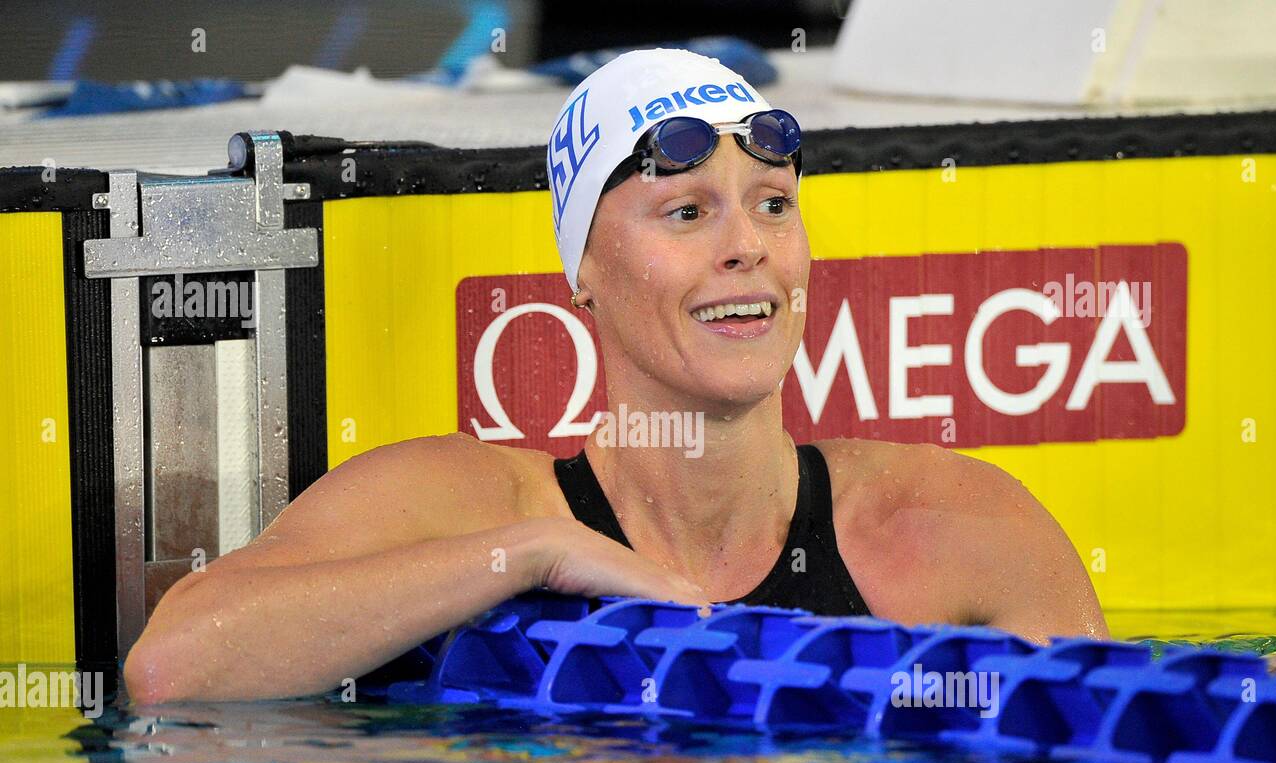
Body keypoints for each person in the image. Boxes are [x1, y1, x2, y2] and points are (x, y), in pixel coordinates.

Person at [125, 48, 1107, 705]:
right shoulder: (459, 501)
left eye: (772, 206)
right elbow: (174, 666)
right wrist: (535, 556)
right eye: (685, 214)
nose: (746, 250)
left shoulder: (961, 531)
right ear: (581, 270)